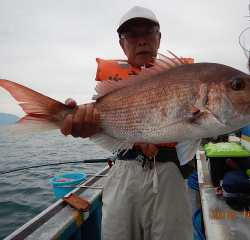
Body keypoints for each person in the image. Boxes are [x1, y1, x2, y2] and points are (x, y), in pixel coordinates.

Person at [60, 6, 194, 240]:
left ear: (159, 38)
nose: (141, 41)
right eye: (133, 35)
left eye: (148, 33)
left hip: (168, 174)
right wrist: (78, 119)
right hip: (123, 171)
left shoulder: (185, 76)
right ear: (123, 44)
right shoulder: (117, 83)